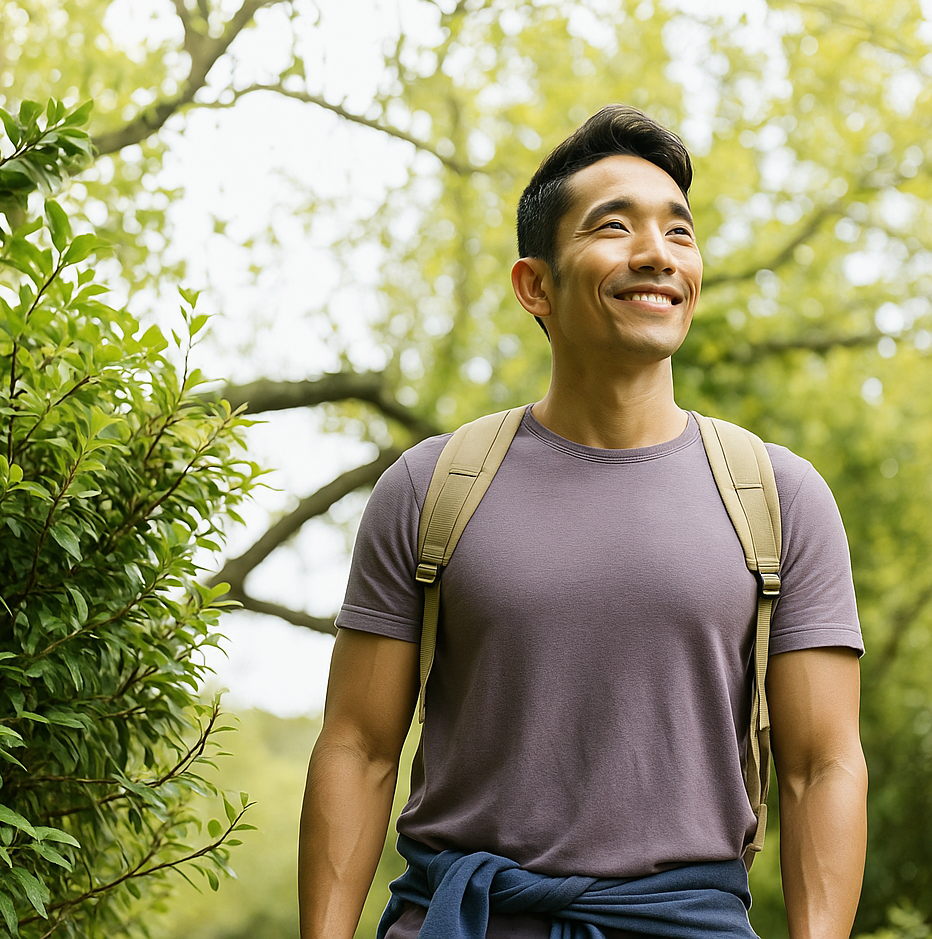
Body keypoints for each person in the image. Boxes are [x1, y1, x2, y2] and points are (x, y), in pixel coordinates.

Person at [298, 105, 866, 939]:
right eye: (614, 226)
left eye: (680, 232)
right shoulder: (432, 486)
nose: (658, 255)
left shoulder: (779, 498)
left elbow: (823, 769)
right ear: (536, 285)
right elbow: (357, 746)